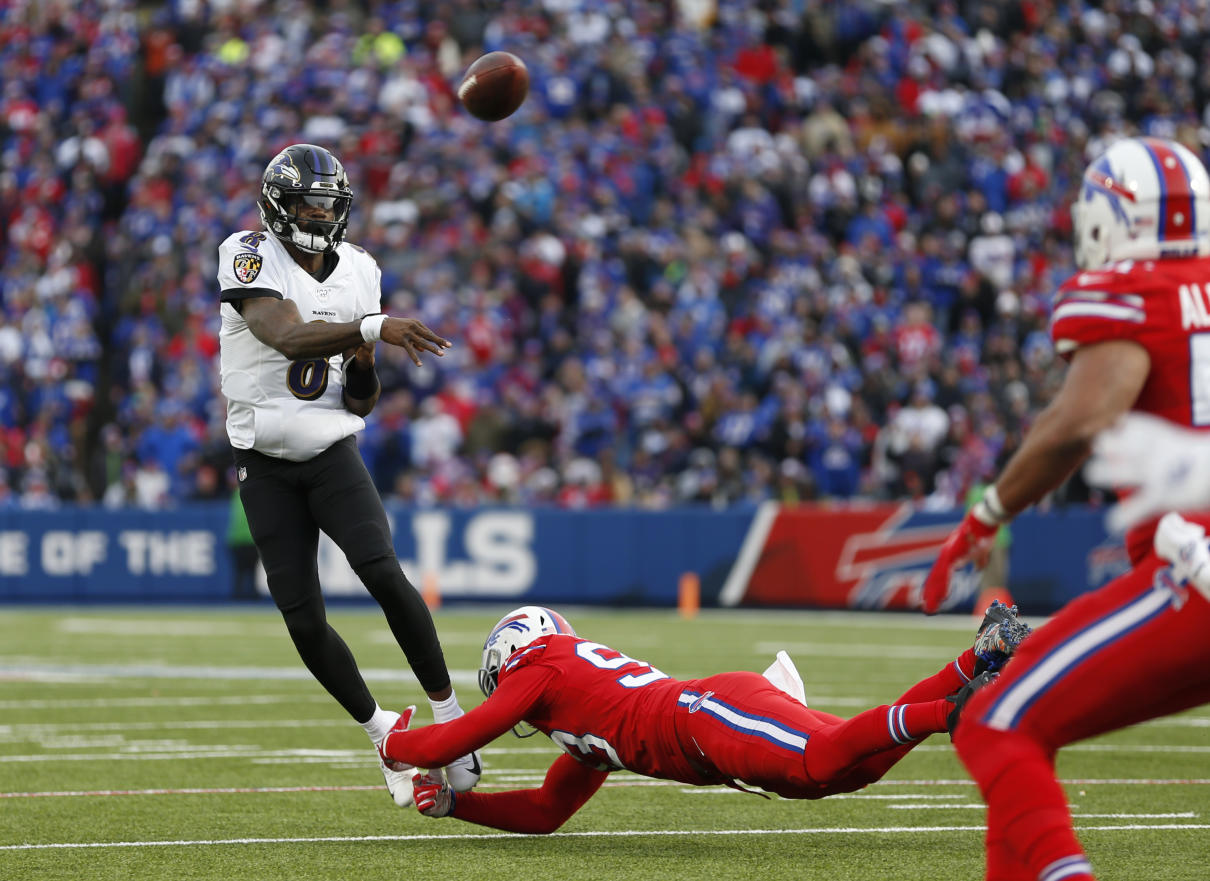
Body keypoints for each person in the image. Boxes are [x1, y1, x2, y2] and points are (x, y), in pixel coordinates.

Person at [921, 136, 1210, 881]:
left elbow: (1079, 421)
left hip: (1193, 573)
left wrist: (985, 514)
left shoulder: (1134, 291)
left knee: (993, 720)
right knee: (1025, 730)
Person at [216, 143, 480, 807]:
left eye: (327, 203)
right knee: (302, 618)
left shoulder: (361, 269)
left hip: (332, 448)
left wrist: (364, 360)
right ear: (279, 204)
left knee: (382, 570)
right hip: (266, 463)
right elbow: (286, 335)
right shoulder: (247, 251)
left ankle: (451, 719)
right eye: (307, 202)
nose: (317, 212)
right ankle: (383, 733)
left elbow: (358, 397)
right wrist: (372, 326)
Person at [372, 602, 1029, 832]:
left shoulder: (544, 661)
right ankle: (982, 656)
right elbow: (547, 812)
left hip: (708, 713)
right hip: (709, 733)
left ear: (517, 649)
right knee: (851, 770)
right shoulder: (574, 718)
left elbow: (459, 735)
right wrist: (461, 808)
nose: (504, 695)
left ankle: (956, 710)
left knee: (821, 759)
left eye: (499, 676)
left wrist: (394, 742)